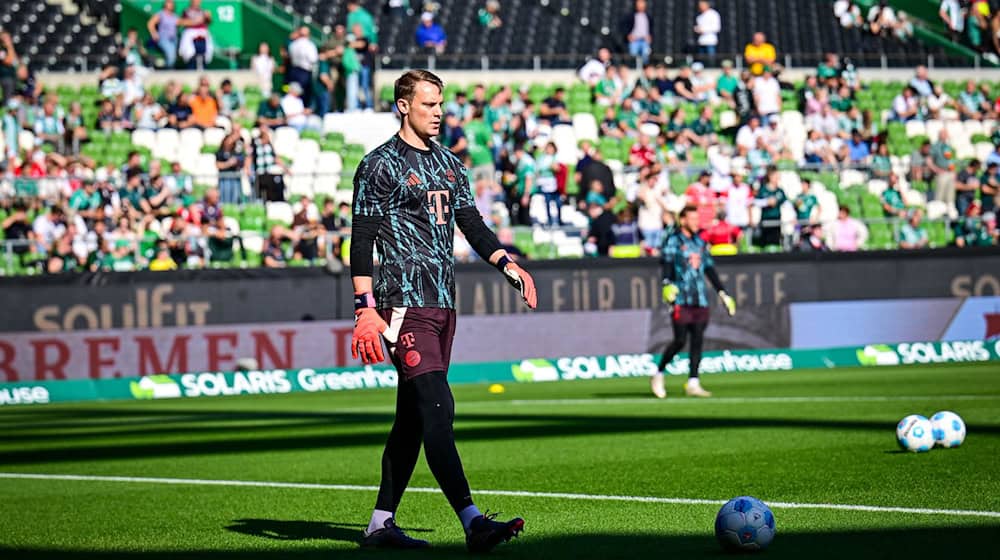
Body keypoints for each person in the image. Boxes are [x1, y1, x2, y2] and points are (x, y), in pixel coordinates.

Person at [350, 69, 534, 552]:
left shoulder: (451, 164)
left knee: (411, 418)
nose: (437, 113)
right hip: (400, 306)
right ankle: (473, 522)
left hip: (442, 303)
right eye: (429, 105)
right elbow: (362, 237)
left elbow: (470, 222)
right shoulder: (379, 165)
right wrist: (364, 308)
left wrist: (506, 263)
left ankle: (379, 525)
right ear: (403, 106)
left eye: (440, 105)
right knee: (437, 404)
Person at [651, 205, 736, 400]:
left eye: (697, 219)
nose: (696, 222)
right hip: (681, 297)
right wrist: (666, 284)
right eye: (692, 219)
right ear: (683, 220)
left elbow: (709, 269)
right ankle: (659, 373)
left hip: (700, 298)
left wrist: (723, 293)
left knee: (697, 339)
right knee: (680, 340)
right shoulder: (673, 241)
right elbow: (666, 264)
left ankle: (693, 381)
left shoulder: (700, 242)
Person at [147, 0, 180, 68]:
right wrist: (154, 34)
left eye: (171, 2)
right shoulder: (161, 14)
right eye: (168, 2)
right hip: (164, 39)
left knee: (173, 57)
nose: (170, 4)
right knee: (171, 56)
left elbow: (181, 23)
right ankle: (167, 70)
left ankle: (169, 69)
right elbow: (150, 23)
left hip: (173, 40)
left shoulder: (174, 15)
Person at [621, 0, 653, 64]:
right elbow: (624, 26)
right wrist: (628, 35)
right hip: (634, 40)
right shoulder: (631, 16)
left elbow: (651, 28)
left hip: (644, 40)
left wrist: (650, 36)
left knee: (645, 57)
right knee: (633, 56)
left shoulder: (648, 16)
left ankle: (645, 68)